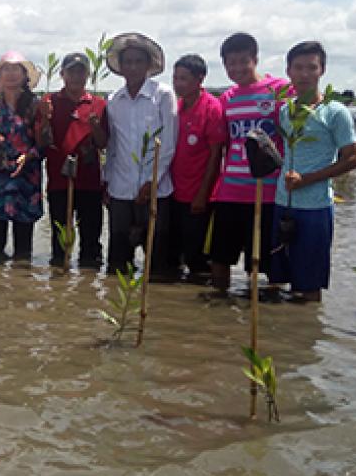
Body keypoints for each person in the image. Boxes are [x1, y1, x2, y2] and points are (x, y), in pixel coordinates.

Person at [270, 41, 356, 302]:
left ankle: (307, 337)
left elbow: (352, 159)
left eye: (311, 67)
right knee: (279, 281)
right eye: (298, 67)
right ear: (288, 71)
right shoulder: (286, 111)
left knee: (309, 286)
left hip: (315, 208)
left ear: (322, 71)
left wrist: (307, 179)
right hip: (282, 202)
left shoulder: (335, 112)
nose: (304, 74)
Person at [207, 33, 287, 297]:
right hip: (231, 191)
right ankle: (219, 309)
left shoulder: (280, 91)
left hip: (268, 192)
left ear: (255, 59)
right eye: (231, 63)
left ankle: (266, 311)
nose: (238, 69)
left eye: (244, 62)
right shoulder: (226, 99)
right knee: (220, 259)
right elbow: (223, 144)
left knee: (267, 264)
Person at [102, 32, 178, 278]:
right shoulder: (114, 101)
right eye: (128, 62)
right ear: (120, 67)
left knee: (156, 259)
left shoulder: (163, 96)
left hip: (156, 189)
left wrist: (151, 180)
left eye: (138, 61)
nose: (133, 67)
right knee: (118, 261)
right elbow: (113, 147)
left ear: (148, 65)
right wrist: (107, 181)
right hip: (121, 188)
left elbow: (167, 144)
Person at [0, 51, 47, 263]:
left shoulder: (36, 106)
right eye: (5, 69)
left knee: (23, 252)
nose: (10, 74)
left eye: (16, 69)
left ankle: (21, 292)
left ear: (25, 75)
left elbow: (45, 144)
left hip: (26, 179)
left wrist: (29, 156)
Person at [43, 53, 107, 268]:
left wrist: (96, 126)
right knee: (60, 243)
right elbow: (42, 142)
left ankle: (87, 290)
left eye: (81, 71)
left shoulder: (98, 104)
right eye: (71, 71)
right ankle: (60, 289)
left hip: (89, 183)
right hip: (59, 182)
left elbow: (103, 143)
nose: (76, 76)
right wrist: (45, 119)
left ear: (88, 74)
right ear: (62, 74)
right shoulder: (48, 102)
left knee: (91, 243)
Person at [168, 54, 222, 281]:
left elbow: (216, 155)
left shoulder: (212, 109)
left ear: (200, 79)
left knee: (196, 255)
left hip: (200, 196)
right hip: (174, 191)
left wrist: (203, 194)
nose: (178, 84)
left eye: (184, 79)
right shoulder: (176, 108)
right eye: (176, 78)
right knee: (174, 252)